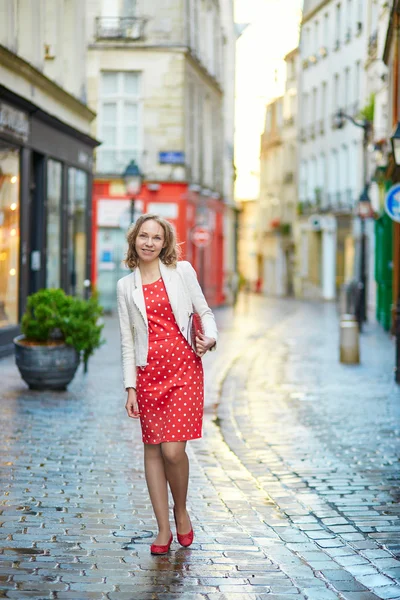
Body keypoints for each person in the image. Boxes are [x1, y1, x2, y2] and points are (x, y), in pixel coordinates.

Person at [116, 214, 218, 555]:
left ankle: (181, 509)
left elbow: (205, 313)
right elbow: (128, 341)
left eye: (156, 238)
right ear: (134, 241)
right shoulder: (124, 287)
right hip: (148, 375)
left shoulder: (181, 272)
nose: (148, 242)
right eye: (143, 236)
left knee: (173, 450)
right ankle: (163, 529)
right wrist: (130, 387)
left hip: (184, 369)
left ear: (165, 243)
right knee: (153, 449)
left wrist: (211, 340)